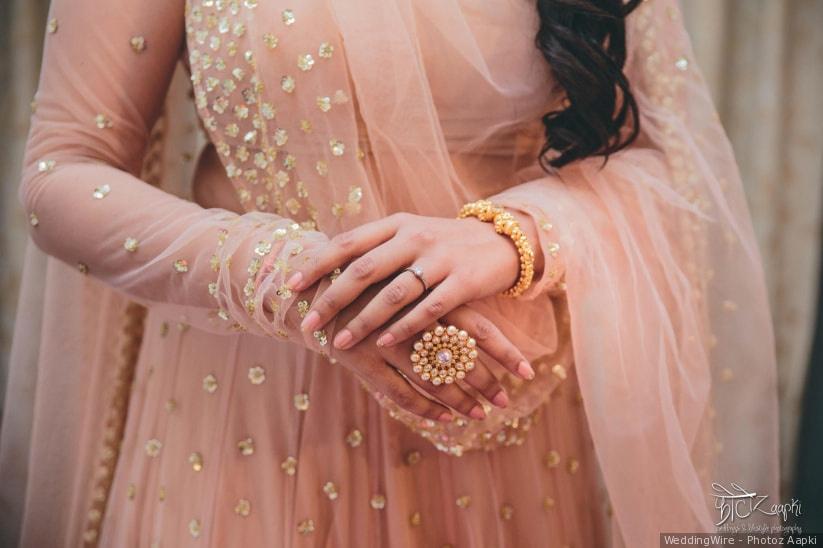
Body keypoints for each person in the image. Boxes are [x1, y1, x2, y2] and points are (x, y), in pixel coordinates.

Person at [0, 0, 780, 546]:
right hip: (248, 408)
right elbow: (64, 171)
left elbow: (672, 167)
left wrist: (517, 239)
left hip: (505, 413)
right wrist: (299, 282)